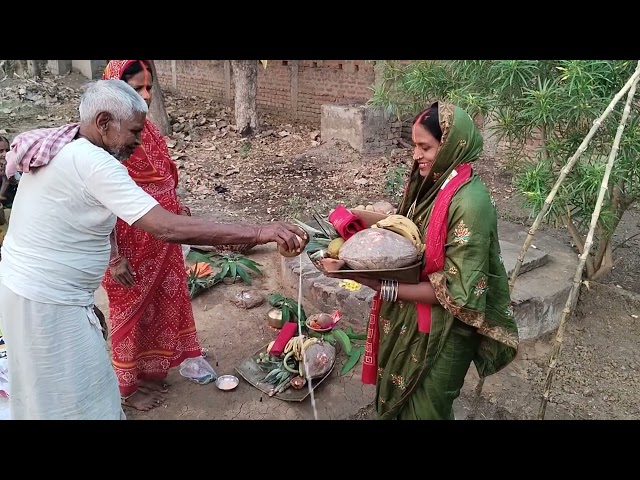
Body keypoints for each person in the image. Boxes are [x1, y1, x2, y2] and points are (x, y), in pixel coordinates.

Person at [0, 79, 306, 420]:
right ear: (103, 123)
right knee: (84, 399)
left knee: (43, 390)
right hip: (46, 301)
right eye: (133, 130)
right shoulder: (94, 163)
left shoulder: (65, 145)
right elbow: (166, 227)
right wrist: (260, 231)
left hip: (30, 291)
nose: (139, 140)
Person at [325, 101, 519, 420]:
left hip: (446, 332)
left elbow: (458, 293)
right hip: (412, 318)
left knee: (427, 411)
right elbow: (409, 231)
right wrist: (359, 221)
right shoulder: (434, 185)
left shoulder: (470, 202)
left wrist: (382, 285)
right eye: (414, 146)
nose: (416, 156)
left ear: (451, 145)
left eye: (424, 147)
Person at [99, 60, 205, 411]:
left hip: (162, 239)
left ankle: (152, 371)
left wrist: (178, 208)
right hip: (127, 245)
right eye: (136, 88)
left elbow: (164, 180)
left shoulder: (150, 131)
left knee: (164, 303)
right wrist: (115, 258)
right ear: (116, 87)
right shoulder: (104, 139)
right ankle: (126, 389)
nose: (145, 95)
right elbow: (100, 205)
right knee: (129, 313)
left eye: (149, 88)